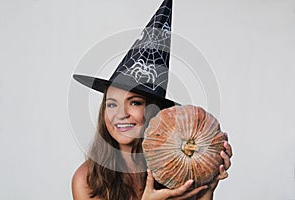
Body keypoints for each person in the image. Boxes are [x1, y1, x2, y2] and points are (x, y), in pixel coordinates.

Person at [71, 0, 232, 199]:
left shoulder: (177, 172)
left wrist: (207, 186)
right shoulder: (86, 180)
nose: (120, 114)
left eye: (135, 102)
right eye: (111, 104)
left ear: (154, 112)